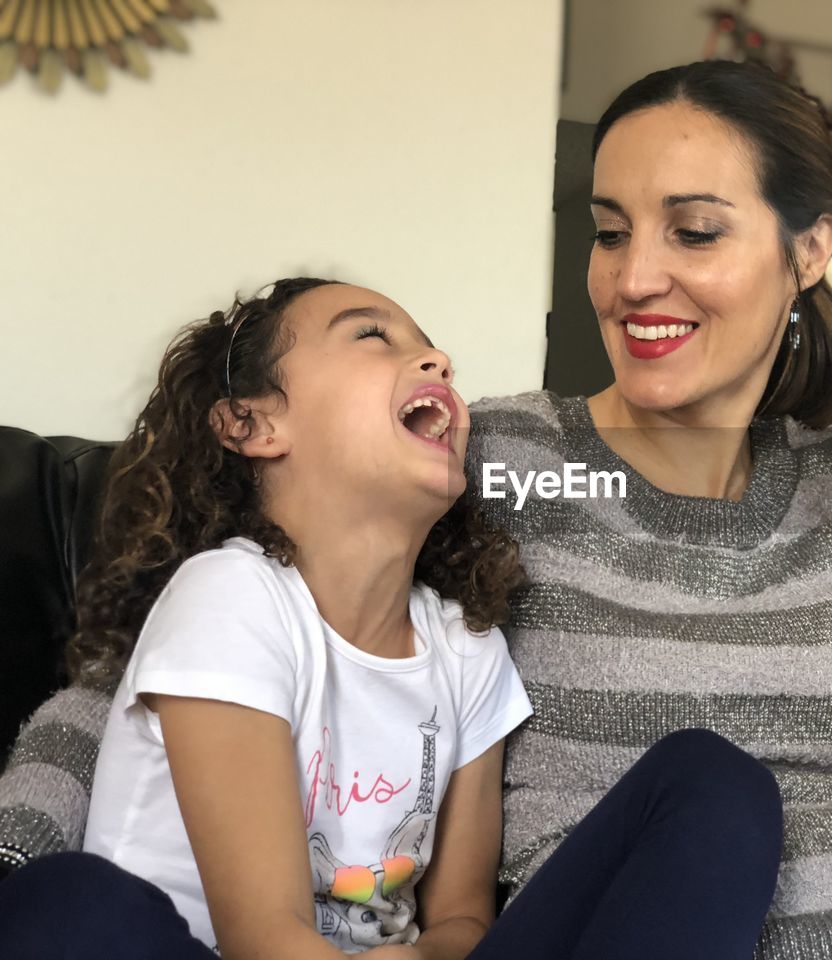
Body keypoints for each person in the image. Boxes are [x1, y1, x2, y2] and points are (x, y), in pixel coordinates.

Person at [0, 278, 784, 960]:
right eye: (373, 336)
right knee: (67, 905)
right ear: (252, 425)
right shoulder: (230, 597)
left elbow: (464, 921)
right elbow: (264, 939)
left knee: (711, 781)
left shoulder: (467, 648)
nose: (437, 362)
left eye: (433, 348)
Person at [465, 61, 832, 957]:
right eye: (611, 234)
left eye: (694, 232)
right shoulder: (508, 462)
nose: (633, 281)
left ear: (810, 251)